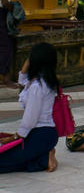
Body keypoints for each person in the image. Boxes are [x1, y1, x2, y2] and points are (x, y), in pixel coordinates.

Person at [0, 42, 58, 173]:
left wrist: (15, 137)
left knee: (3, 162)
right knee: (12, 159)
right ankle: (43, 155)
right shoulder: (44, 81)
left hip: (40, 134)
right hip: (44, 134)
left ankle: (44, 159)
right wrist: (24, 69)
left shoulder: (37, 86)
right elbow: (23, 83)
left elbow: (30, 119)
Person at [0, 0, 23, 88]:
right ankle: (6, 79)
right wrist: (14, 9)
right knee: (6, 46)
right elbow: (4, 1)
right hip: (1, 13)